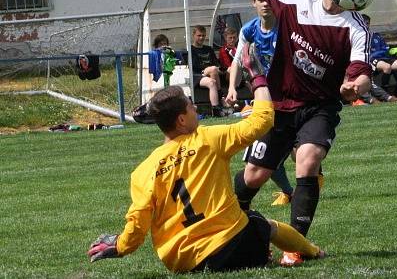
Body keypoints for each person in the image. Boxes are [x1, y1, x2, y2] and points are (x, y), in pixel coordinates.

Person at [211, 0, 371, 266]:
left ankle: (295, 247)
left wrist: (353, 86)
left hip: (320, 107)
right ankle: (226, 227)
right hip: (279, 105)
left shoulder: (355, 25)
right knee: (255, 175)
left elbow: (362, 76)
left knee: (308, 161)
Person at [87, 44, 325, 273]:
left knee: (249, 223)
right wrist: (256, 75)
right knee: (260, 223)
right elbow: (263, 119)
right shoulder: (208, 138)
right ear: (181, 120)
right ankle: (313, 251)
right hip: (233, 247)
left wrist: (119, 245)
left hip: (182, 260)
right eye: (191, 106)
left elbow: (138, 223)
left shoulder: (143, 171)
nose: (195, 109)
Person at [226, 0, 293, 206]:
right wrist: (231, 88)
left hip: (291, 98)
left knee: (297, 152)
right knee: (260, 153)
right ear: (253, 2)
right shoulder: (249, 30)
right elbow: (237, 61)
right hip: (266, 98)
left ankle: (307, 182)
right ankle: (289, 191)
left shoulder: (286, 28)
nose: (265, 3)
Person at [362, 14, 397, 98]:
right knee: (387, 67)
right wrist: (375, 54)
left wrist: (380, 52)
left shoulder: (376, 35)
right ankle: (386, 95)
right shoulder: (360, 37)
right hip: (371, 59)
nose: (366, 24)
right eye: (364, 23)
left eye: (367, 23)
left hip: (384, 57)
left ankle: (396, 93)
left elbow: (385, 48)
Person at [191, 25, 225, 117]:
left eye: (203, 35)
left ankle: (216, 110)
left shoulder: (209, 49)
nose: (201, 38)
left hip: (211, 73)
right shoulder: (190, 50)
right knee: (212, 69)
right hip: (197, 75)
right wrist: (210, 69)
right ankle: (222, 97)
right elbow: (193, 67)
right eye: (199, 35)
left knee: (212, 82)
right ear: (193, 35)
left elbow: (216, 64)